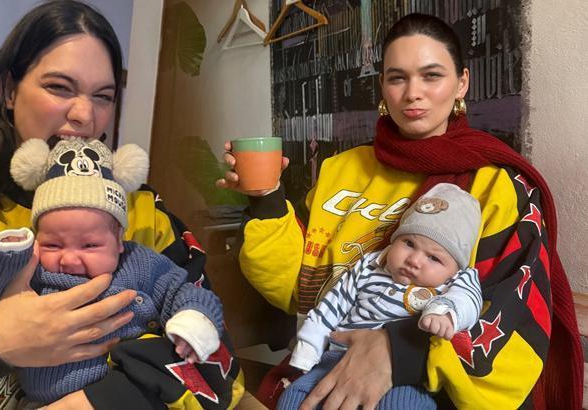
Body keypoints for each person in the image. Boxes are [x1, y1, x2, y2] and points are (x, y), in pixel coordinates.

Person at [0, 1, 243, 409]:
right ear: (8, 90)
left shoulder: (145, 215)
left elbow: (216, 360)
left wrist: (100, 400)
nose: (85, 115)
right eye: (59, 87)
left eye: (103, 96)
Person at [217, 12, 582, 410]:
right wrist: (267, 197)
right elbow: (297, 289)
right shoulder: (340, 170)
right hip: (325, 363)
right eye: (397, 78)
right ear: (382, 87)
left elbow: (508, 317)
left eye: (431, 76)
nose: (413, 93)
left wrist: (401, 350)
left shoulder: (496, 185)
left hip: (427, 390)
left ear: (462, 83)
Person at [0, 138, 225, 405]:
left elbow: (183, 291)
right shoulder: (34, 267)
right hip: (41, 401)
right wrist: (7, 254)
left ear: (118, 240)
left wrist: (193, 321)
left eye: (90, 245)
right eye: (52, 244)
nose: (69, 259)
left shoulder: (138, 262)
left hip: (126, 396)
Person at [278, 183, 483, 409]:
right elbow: (332, 306)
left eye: (433, 258)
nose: (414, 260)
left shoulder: (455, 280)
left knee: (403, 406)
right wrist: (308, 350)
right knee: (293, 397)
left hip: (399, 375)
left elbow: (469, 299)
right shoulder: (370, 265)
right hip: (336, 359)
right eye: (409, 243)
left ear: (456, 268)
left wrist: (445, 312)